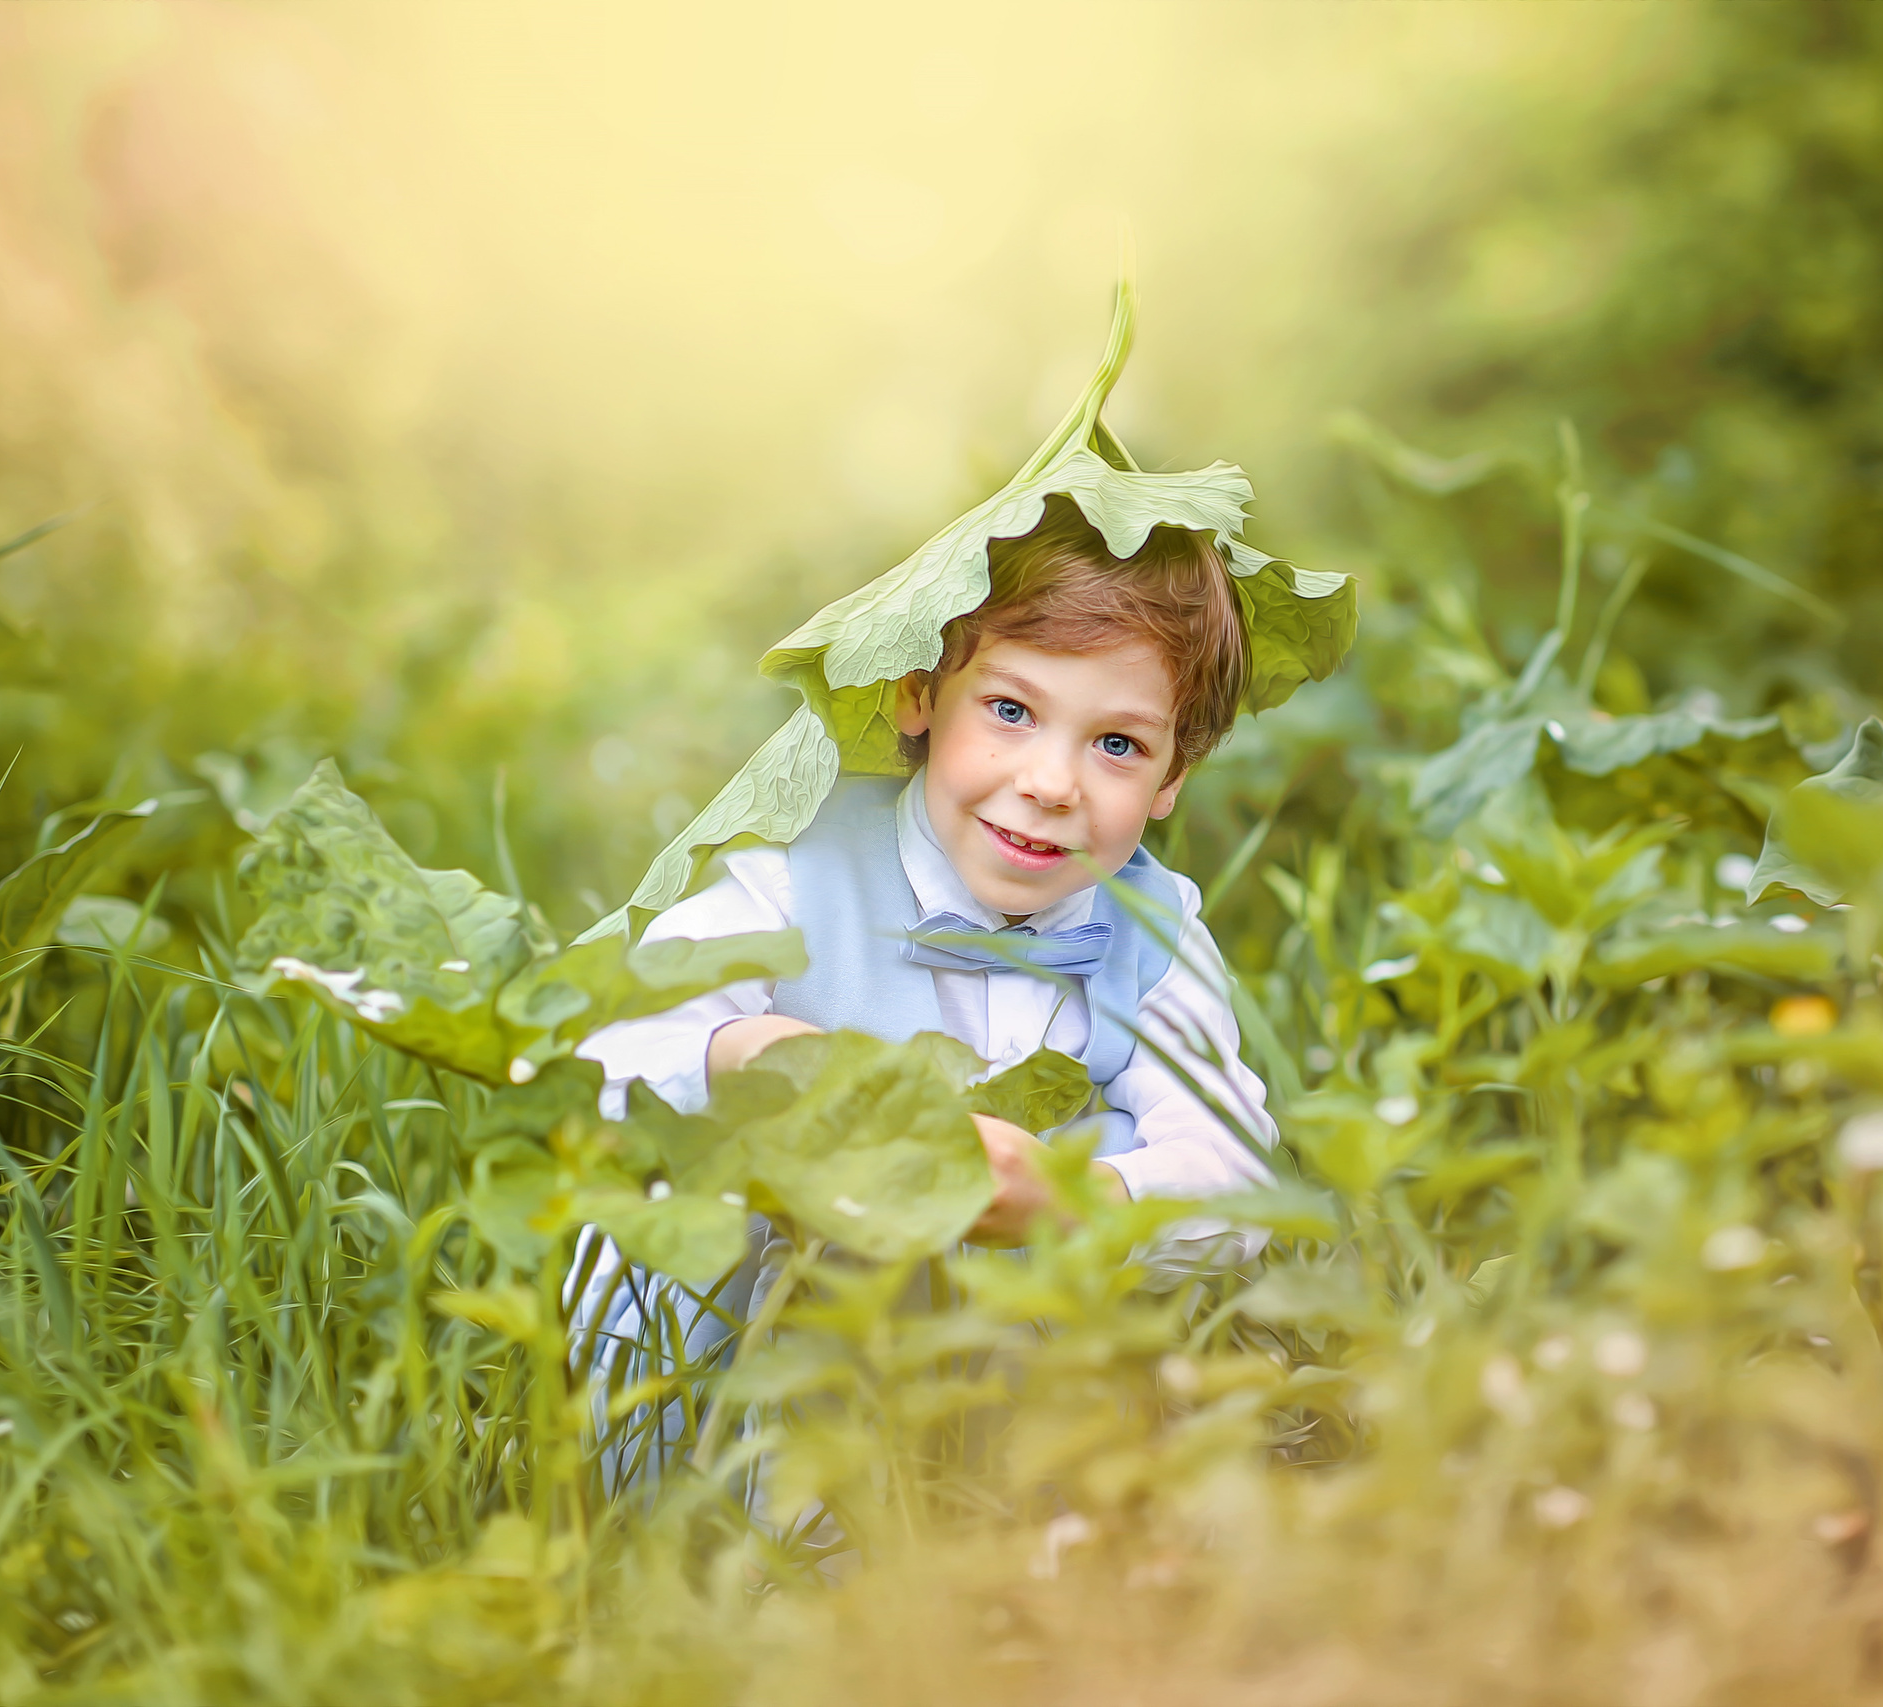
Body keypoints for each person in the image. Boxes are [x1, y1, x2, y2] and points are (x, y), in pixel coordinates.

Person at [577, 285, 1356, 1247]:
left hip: (1013, 1361)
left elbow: (1235, 1172)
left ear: (1171, 780)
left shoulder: (1152, 934)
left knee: (1121, 1147)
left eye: (1117, 744)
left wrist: (1074, 1201)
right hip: (784, 1338)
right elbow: (605, 1054)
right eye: (1011, 710)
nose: (1051, 782)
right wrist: (752, 1052)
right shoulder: (794, 878)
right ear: (917, 695)